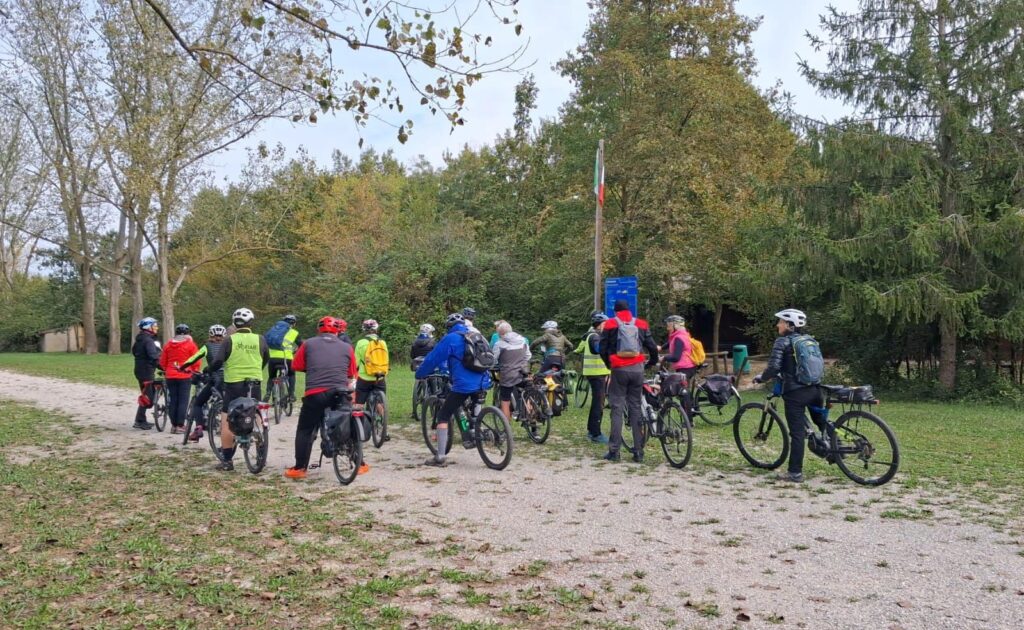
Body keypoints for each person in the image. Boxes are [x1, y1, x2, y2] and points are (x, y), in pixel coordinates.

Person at [752, 309, 825, 483]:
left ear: (789, 325)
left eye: (780, 322)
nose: (778, 325)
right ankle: (835, 450)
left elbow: (774, 367)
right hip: (815, 390)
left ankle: (795, 473)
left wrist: (762, 378)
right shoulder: (809, 340)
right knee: (822, 423)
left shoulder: (782, 342)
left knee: (797, 434)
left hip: (795, 393)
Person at [285, 316, 360, 479]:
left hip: (315, 393)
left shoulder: (308, 344)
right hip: (340, 392)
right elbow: (351, 372)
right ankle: (359, 462)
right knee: (346, 422)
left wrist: (311, 367)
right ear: (337, 331)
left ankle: (299, 468)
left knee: (305, 429)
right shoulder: (347, 347)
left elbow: (296, 365)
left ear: (318, 329)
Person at [414, 313, 492, 467]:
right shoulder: (477, 336)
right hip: (484, 380)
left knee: (443, 415)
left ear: (449, 327)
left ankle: (440, 457)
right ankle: (472, 431)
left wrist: (420, 373)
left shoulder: (450, 338)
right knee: (472, 406)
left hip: (463, 384)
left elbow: (433, 359)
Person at [206, 308, 269, 471]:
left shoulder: (229, 340)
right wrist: (256, 370)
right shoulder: (260, 339)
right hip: (254, 382)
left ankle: (227, 461)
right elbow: (265, 358)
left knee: (227, 419)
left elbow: (218, 361)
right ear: (251, 322)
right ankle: (260, 451)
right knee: (256, 413)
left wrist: (209, 369)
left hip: (234, 384)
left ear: (234, 323)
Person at [599, 299, 659, 462]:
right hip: (637, 369)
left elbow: (602, 348)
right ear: (629, 310)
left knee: (617, 408)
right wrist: (651, 362)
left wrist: (609, 364)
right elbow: (652, 347)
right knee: (635, 408)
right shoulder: (641, 324)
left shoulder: (610, 324)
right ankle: (638, 452)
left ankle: (614, 451)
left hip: (619, 369)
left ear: (615, 311)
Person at [180, 324, 228, 442]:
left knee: (198, 403)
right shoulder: (228, 346)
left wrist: (182, 367)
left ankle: (199, 427)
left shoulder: (207, 346)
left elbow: (193, 358)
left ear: (210, 335)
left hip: (215, 379)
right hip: (229, 379)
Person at [576, 311, 610, 443]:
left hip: (599, 373)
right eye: (605, 324)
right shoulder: (595, 337)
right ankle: (595, 433)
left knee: (598, 402)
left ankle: (592, 430)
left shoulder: (595, 335)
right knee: (598, 404)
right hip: (596, 374)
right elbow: (598, 349)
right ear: (599, 325)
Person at [159, 324, 200, 434]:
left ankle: (173, 425)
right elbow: (196, 360)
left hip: (171, 375)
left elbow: (162, 362)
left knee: (173, 400)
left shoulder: (168, 345)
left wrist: (167, 369)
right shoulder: (190, 345)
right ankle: (180, 425)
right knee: (183, 401)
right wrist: (195, 370)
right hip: (185, 375)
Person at [354, 319, 389, 442]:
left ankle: (358, 430)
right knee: (380, 403)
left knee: (359, 404)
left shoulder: (361, 343)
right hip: (380, 377)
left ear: (364, 329)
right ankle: (385, 429)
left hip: (365, 377)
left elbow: (356, 361)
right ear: (376, 328)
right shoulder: (382, 342)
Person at [492, 320, 531, 422]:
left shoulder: (499, 344)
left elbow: (493, 360)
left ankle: (507, 425)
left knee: (505, 399)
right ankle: (531, 417)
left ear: (500, 333)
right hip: (523, 372)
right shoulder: (523, 340)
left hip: (508, 374)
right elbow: (528, 356)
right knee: (527, 394)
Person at [131, 317, 162, 430]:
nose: (157, 327)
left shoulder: (140, 339)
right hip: (146, 371)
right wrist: (162, 367)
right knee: (149, 398)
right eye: (155, 325)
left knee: (148, 395)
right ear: (148, 327)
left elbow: (134, 351)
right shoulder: (148, 341)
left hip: (140, 369)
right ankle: (139, 421)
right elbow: (153, 356)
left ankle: (141, 419)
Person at [267, 314, 301, 403]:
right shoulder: (294, 332)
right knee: (291, 374)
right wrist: (295, 352)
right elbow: (301, 346)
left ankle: (268, 393)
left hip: (272, 358)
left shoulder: (274, 330)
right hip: (287, 358)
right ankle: (291, 394)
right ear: (294, 324)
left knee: (271, 376)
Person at [410, 323, 437, 418]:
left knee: (418, 383)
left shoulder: (415, 342)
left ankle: (414, 410)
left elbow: (412, 355)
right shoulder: (433, 342)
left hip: (418, 367)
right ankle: (435, 404)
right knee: (434, 383)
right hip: (430, 367)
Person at [661, 315, 697, 382]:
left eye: (669, 326)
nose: (667, 328)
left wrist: (664, 358)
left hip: (685, 368)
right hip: (687, 367)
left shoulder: (679, 338)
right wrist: (661, 348)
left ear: (676, 326)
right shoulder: (682, 335)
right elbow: (670, 343)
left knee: (676, 387)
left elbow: (676, 357)